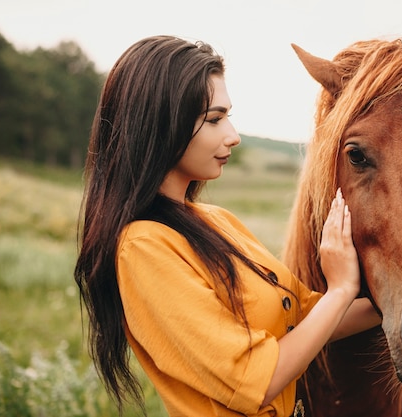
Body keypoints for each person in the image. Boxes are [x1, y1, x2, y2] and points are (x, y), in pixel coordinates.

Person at [74, 35, 381, 417]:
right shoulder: (142, 249)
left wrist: (401, 293)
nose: (232, 136)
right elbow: (256, 380)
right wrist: (340, 291)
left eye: (228, 117)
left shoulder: (217, 221)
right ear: (160, 124)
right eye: (214, 119)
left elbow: (303, 321)